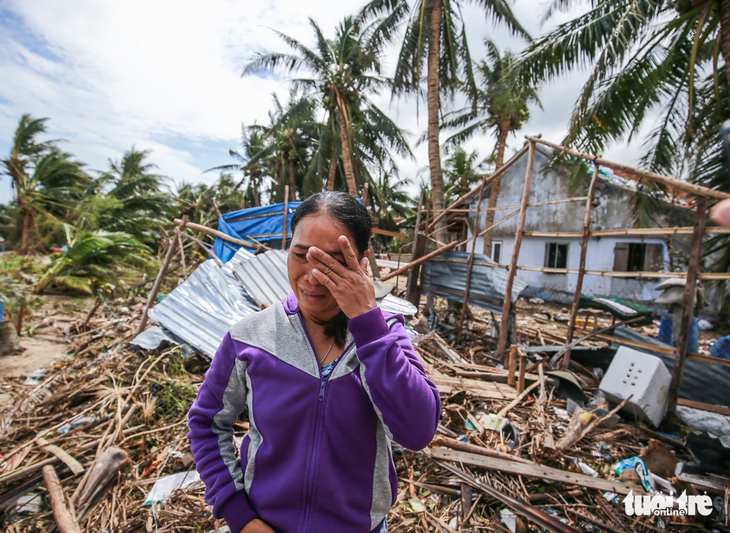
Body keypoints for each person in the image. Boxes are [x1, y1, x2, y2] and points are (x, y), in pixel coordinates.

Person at [188, 191, 441, 533]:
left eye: (333, 262)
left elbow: (417, 432)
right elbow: (207, 424)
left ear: (362, 261)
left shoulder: (385, 338)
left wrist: (367, 321)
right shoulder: (249, 337)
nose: (312, 276)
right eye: (302, 255)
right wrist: (239, 514)